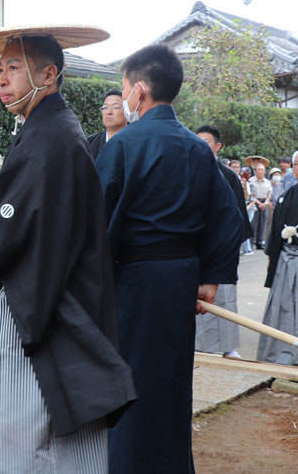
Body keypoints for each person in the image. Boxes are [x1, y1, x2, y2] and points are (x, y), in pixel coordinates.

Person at [0, 27, 135, 472]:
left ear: (48, 73)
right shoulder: (48, 130)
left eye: (13, 68)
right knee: (21, 417)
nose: (2, 80)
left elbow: (17, 219)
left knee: (25, 421)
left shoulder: (53, 137)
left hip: (46, 304)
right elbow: (24, 211)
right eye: (1, 69)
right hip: (44, 293)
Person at [95, 44, 244, 473]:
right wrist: (209, 278)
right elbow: (227, 218)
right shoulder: (198, 149)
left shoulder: (124, 145)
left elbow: (97, 219)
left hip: (134, 281)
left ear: (138, 91)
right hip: (180, 280)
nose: (123, 98)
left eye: (123, 88)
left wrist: (92, 279)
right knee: (172, 381)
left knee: (128, 380)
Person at [257, 149, 298, 368]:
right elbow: (274, 231)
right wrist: (271, 260)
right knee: (281, 306)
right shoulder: (285, 196)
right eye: (296, 164)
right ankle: (279, 353)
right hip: (284, 259)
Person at [193, 125, 253, 358]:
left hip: (221, 246)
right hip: (194, 245)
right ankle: (195, 344)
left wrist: (229, 247)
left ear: (217, 147)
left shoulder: (228, 175)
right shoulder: (186, 169)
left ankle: (228, 346)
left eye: (206, 142)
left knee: (224, 296)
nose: (200, 146)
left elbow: (237, 217)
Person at [86, 88, 126, 159]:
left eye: (115, 107)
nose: (109, 112)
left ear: (126, 111)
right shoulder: (90, 142)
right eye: (105, 107)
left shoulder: (134, 143)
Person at [245, 157, 272, 249]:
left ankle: (260, 242)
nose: (260, 171)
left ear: (264, 171)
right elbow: (251, 194)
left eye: (262, 170)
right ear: (255, 170)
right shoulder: (251, 181)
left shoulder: (267, 182)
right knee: (253, 223)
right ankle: (251, 242)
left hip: (265, 203)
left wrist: (266, 203)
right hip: (254, 202)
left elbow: (269, 193)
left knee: (263, 223)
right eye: (258, 169)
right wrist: (258, 203)